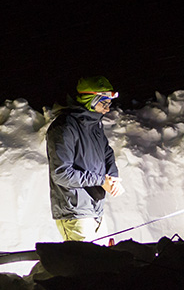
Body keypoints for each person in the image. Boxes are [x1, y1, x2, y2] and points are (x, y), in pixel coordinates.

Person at [46, 75, 125, 241]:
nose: (108, 109)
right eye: (104, 103)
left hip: (96, 209)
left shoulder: (94, 126)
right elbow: (61, 173)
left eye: (109, 104)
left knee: (104, 263)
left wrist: (112, 178)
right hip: (75, 213)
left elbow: (107, 154)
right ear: (90, 100)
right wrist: (100, 180)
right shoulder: (64, 127)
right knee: (86, 265)